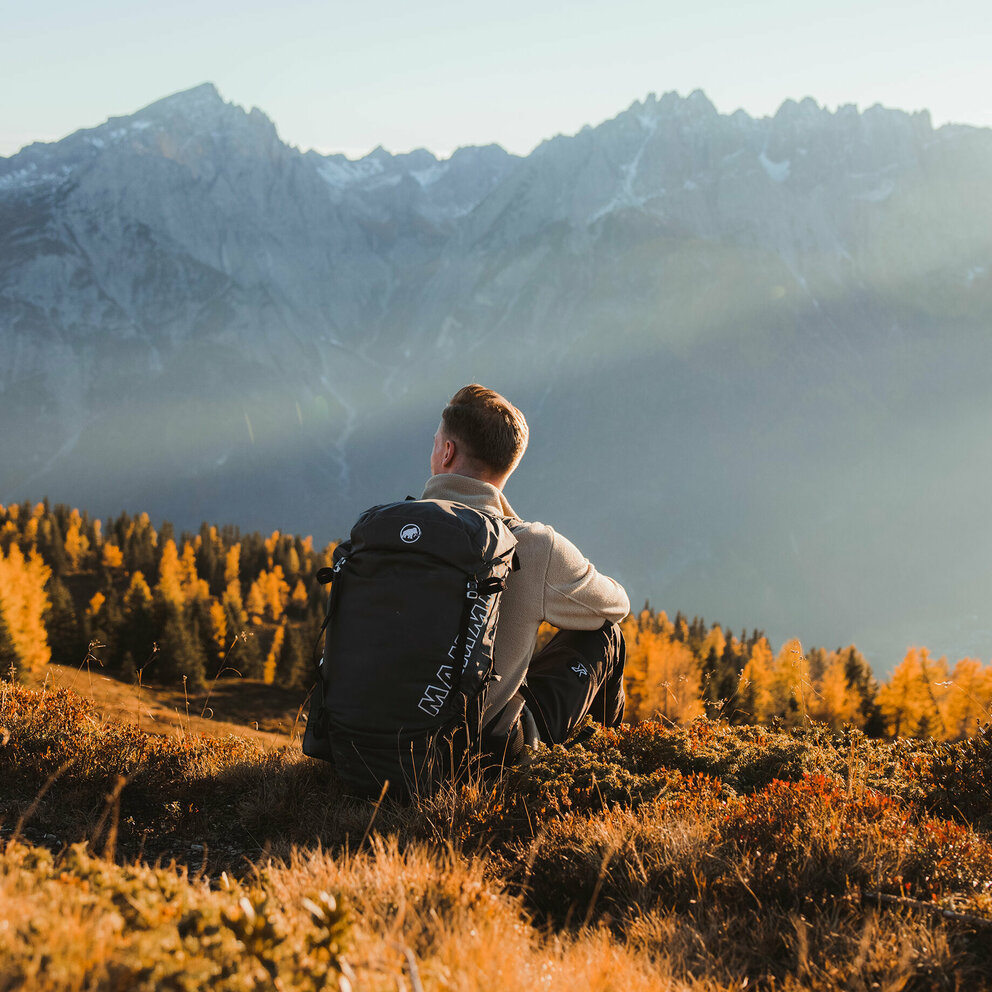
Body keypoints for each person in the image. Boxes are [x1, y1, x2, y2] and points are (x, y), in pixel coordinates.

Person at [423, 384, 630, 761]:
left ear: (447, 452)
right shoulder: (530, 545)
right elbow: (616, 605)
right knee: (606, 635)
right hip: (476, 758)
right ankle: (600, 771)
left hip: (367, 745)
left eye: (436, 441)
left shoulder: (390, 532)